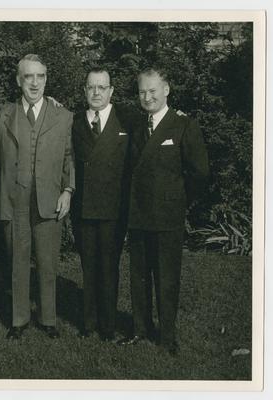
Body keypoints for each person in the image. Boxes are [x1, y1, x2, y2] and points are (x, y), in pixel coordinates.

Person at [118, 66, 209, 355]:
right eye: (142, 91)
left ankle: (167, 337)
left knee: (167, 278)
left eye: (153, 91)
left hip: (168, 216)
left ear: (166, 90)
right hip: (139, 214)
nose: (147, 97)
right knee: (139, 277)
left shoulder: (183, 125)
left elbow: (200, 173)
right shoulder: (135, 124)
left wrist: (181, 201)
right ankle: (140, 331)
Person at [0, 54, 75, 340]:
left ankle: (48, 318)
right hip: (14, 200)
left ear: (46, 80)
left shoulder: (63, 116)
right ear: (19, 80)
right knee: (18, 260)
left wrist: (68, 190)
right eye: (28, 76)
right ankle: (19, 320)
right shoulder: (3, 115)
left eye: (40, 76)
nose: (35, 82)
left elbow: (69, 157)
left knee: (47, 261)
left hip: (49, 198)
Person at [71, 67, 131, 341]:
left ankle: (107, 326)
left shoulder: (127, 120)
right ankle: (88, 323)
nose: (96, 93)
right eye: (91, 87)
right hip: (83, 209)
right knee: (88, 266)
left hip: (113, 210)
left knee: (109, 267)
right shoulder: (74, 122)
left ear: (111, 91)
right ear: (84, 91)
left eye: (102, 87)